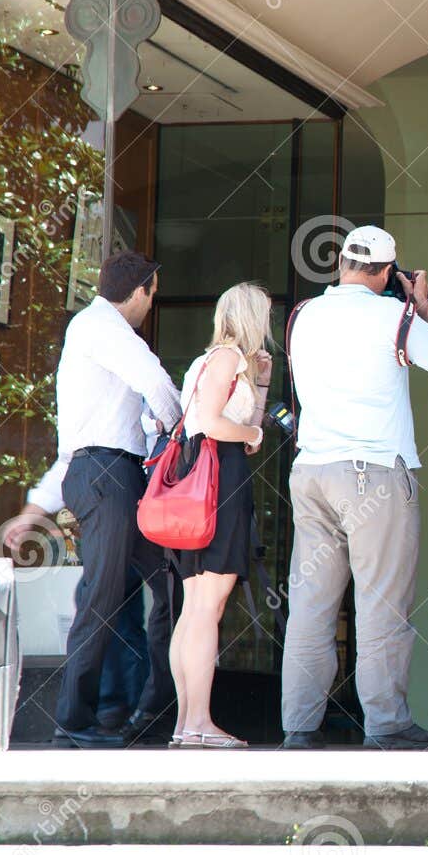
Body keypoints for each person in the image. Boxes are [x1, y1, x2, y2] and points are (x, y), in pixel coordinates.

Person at [280, 225, 428, 750]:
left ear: (341, 264)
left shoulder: (303, 315)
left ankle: (299, 727)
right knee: (382, 603)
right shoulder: (392, 315)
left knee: (311, 605)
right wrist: (420, 304)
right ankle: (386, 723)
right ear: (386, 272)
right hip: (373, 474)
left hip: (312, 471)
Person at [5, 251, 182, 748]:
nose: (152, 304)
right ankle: (72, 723)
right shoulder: (106, 328)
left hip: (108, 475)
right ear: (141, 290)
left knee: (170, 586)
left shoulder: (91, 334)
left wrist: (34, 509)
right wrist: (186, 435)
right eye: (153, 293)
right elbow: (158, 385)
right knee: (102, 598)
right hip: (109, 478)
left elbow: (77, 448)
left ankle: (152, 709)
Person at [167, 282, 273, 748]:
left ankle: (185, 724)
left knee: (194, 605)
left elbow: (241, 429)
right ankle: (199, 722)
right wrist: (252, 431)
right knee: (208, 606)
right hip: (218, 478)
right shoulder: (228, 358)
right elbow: (216, 424)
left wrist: (261, 386)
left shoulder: (209, 361)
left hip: (198, 475)